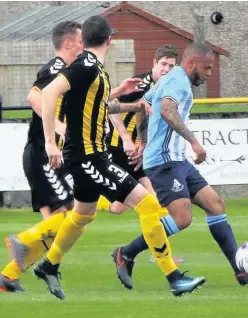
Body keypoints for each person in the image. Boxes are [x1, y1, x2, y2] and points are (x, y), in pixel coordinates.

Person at [33, 15, 205, 300]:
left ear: (85, 39)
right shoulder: (87, 66)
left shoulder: (95, 70)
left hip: (89, 156)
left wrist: (126, 98)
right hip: (88, 158)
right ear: (109, 39)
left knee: (82, 216)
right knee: (149, 206)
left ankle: (48, 265)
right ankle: (174, 278)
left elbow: (95, 108)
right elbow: (49, 92)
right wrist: (51, 142)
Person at [111, 43, 248, 290]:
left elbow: (143, 105)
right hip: (165, 161)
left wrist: (142, 142)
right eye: (206, 68)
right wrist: (194, 143)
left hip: (176, 159)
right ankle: (126, 252)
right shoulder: (178, 81)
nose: (208, 73)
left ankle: (239, 271)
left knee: (216, 205)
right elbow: (166, 110)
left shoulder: (172, 78)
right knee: (182, 218)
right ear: (191, 63)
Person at [0, 20, 83, 293]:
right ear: (68, 43)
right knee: (72, 215)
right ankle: (22, 240)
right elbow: (34, 98)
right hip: (43, 153)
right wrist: (59, 131)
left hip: (46, 154)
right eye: (80, 41)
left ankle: (8, 276)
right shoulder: (56, 68)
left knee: (62, 224)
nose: (83, 46)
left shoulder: (69, 71)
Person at [97, 45, 178, 215]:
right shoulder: (141, 84)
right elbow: (110, 105)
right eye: (163, 64)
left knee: (118, 208)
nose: (166, 69)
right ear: (154, 63)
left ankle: (95, 201)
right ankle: (160, 234)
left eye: (171, 66)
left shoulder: (170, 88)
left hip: (140, 150)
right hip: (120, 147)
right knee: (153, 198)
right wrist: (125, 137)